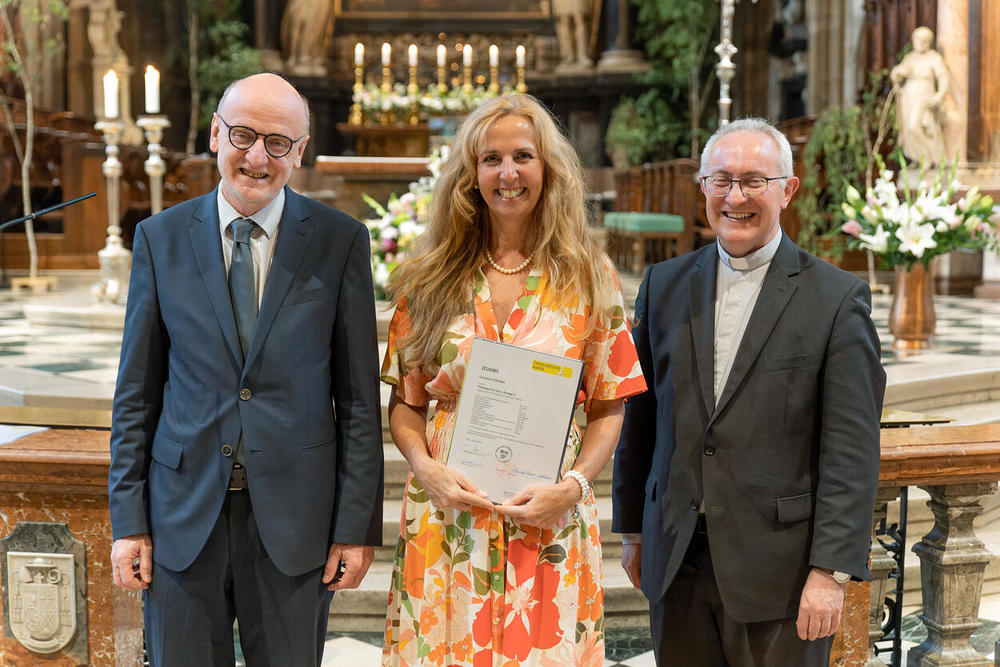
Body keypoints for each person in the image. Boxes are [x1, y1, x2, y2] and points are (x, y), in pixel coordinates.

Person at [108, 73, 383, 666]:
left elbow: (359, 400)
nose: (258, 157)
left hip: (295, 523)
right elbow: (136, 393)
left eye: (278, 143)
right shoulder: (160, 238)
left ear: (299, 152)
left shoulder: (339, 241)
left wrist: (355, 528)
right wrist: (129, 522)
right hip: (182, 519)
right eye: (244, 135)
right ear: (216, 134)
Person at [380, 93, 646, 666]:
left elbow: (610, 402)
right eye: (491, 159)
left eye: (523, 156)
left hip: (547, 514)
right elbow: (406, 403)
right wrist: (424, 468)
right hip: (448, 510)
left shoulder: (588, 274)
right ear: (469, 173)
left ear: (548, 168)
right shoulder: (429, 277)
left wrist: (573, 487)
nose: (508, 173)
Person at [612, 118, 885, 666]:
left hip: (781, 571)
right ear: (703, 187)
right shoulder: (663, 284)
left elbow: (851, 450)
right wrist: (634, 531)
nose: (735, 197)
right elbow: (640, 415)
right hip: (678, 556)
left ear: (788, 189)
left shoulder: (836, 299)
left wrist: (829, 572)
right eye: (722, 180)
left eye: (754, 181)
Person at [891, 26, 949, 166]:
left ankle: (928, 156)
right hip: (908, 95)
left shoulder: (934, 58)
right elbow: (898, 72)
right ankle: (918, 158)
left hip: (924, 94)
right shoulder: (910, 57)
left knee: (914, 125)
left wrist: (939, 95)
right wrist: (897, 74)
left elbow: (943, 77)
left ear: (928, 42)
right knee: (907, 129)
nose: (919, 42)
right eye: (917, 39)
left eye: (923, 40)